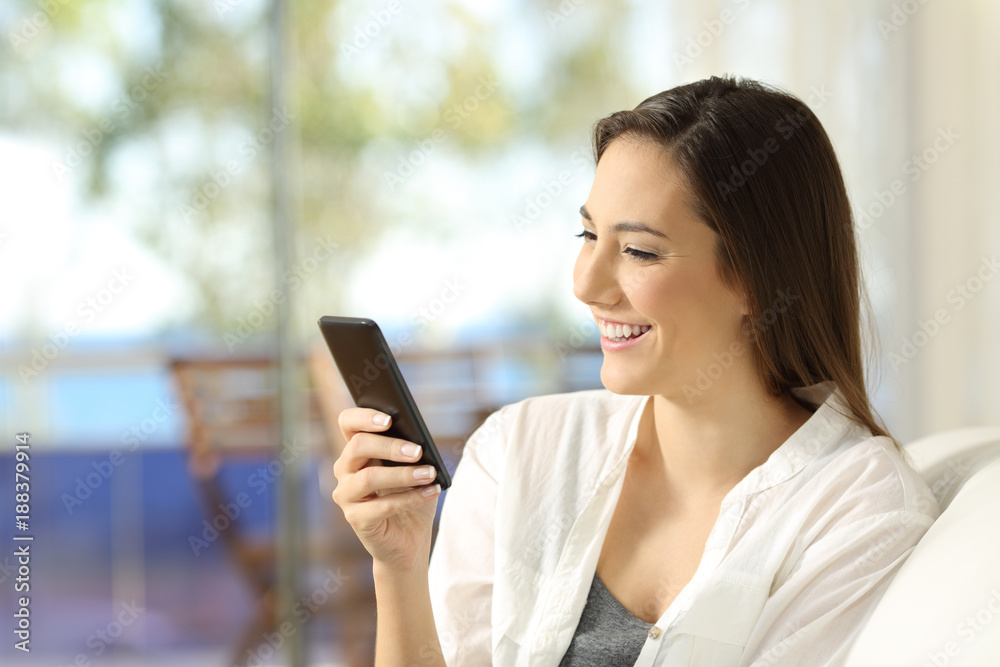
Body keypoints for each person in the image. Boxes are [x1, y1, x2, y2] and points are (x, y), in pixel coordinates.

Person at [331, 75, 939, 666]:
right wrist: (400, 565)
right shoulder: (519, 451)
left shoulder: (859, 509)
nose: (585, 284)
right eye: (588, 234)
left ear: (760, 275)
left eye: (639, 250)